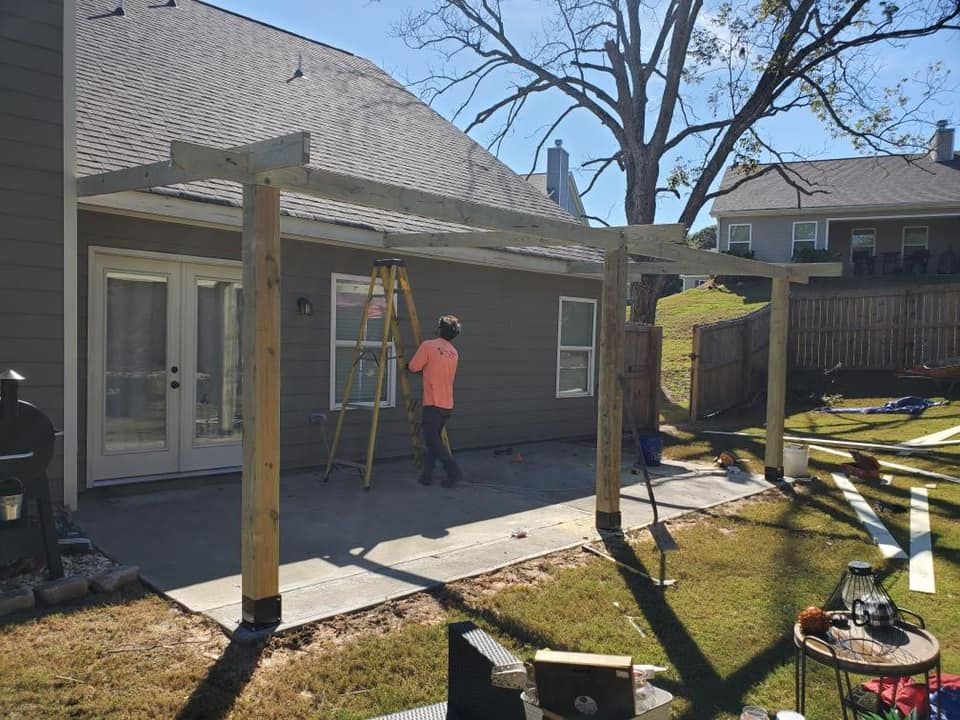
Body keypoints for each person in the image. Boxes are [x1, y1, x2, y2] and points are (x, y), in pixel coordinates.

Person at [408, 314, 463, 486]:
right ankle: (426, 476)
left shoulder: (428, 346)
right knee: (434, 441)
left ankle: (454, 472)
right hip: (447, 405)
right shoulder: (454, 353)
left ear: (439, 329)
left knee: (432, 441)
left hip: (432, 403)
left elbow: (413, 366)